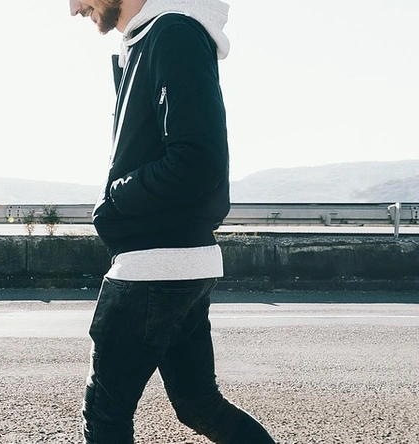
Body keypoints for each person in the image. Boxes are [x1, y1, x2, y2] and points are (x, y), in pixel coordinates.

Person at [69, 0, 277, 443]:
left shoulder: (174, 34)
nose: (73, 8)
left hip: (151, 266)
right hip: (182, 262)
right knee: (198, 404)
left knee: (106, 415)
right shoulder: (152, 39)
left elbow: (199, 160)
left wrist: (115, 198)